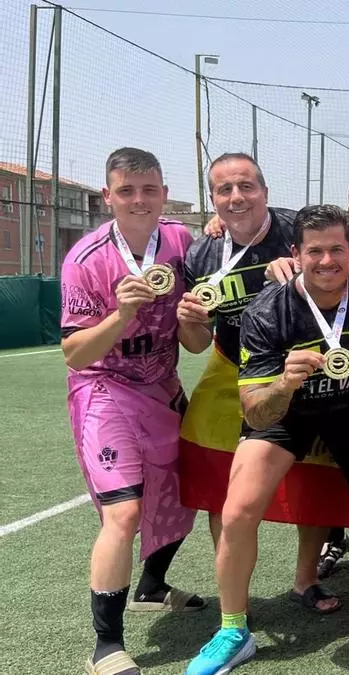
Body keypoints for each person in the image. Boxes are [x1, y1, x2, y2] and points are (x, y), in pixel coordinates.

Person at [186, 205, 349, 675]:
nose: (326, 261)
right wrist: (284, 383)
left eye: (337, 249)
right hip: (288, 411)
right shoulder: (266, 311)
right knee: (237, 508)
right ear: (296, 254)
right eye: (315, 251)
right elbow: (255, 409)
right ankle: (233, 630)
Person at [61, 147, 201, 675]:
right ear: (108, 197)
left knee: (185, 496)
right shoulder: (85, 258)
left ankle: (152, 587)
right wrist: (121, 314)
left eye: (148, 189)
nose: (138, 200)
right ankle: (107, 644)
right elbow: (75, 354)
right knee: (123, 512)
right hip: (104, 390)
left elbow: (195, 343)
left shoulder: (183, 243)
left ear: (165, 194)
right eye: (126, 191)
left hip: (163, 388)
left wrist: (192, 319)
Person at [180, 153, 339, 615]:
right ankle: (236, 593)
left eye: (246, 186)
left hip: (298, 366)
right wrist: (188, 321)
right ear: (213, 199)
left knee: (312, 474)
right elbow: (194, 343)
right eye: (224, 190)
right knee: (217, 479)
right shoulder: (200, 252)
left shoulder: (298, 230)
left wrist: (300, 276)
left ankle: (306, 579)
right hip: (230, 363)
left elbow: (346, 271)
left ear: (265, 192)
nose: (237, 198)